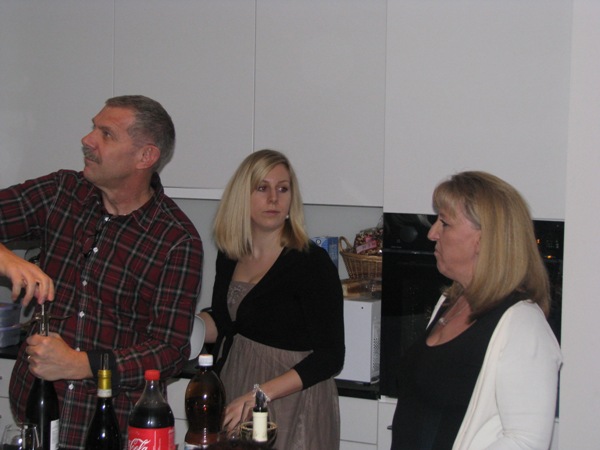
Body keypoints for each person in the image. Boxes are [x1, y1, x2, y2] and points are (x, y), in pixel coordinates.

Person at [0, 95, 203, 450]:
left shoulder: (176, 240)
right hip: (37, 417)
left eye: (106, 134)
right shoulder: (62, 192)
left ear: (145, 156)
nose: (87, 140)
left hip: (109, 428)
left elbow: (169, 351)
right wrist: (6, 259)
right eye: (93, 127)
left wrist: (81, 364)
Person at [390, 171, 562, 450]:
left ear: (483, 240)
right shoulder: (449, 303)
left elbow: (525, 442)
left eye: (445, 223)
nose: (432, 233)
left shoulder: (523, 325)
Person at [199, 149, 344, 450]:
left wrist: (261, 394)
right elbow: (227, 322)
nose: (274, 199)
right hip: (238, 384)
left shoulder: (311, 263)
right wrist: (186, 325)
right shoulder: (230, 255)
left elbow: (331, 356)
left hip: (291, 397)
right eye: (262, 188)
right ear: (242, 196)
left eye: (283, 189)